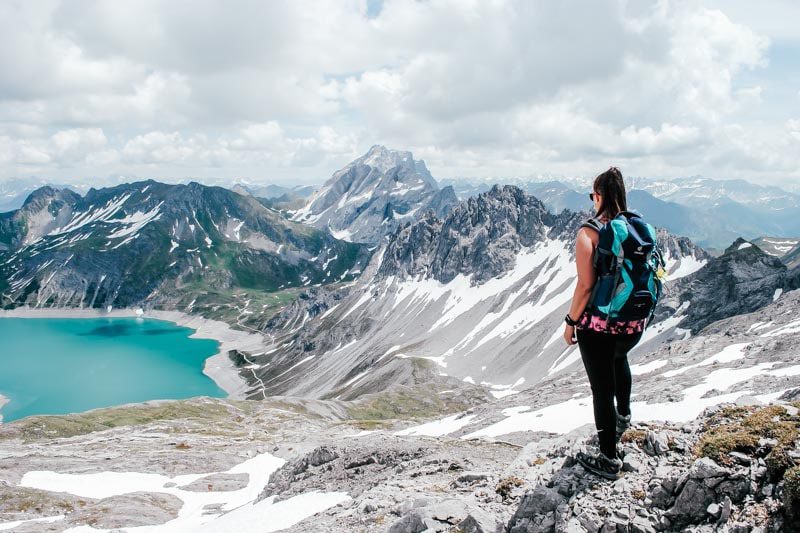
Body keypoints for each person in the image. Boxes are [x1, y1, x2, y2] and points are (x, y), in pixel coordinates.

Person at [562, 166, 647, 480]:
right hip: (633, 325)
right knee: (619, 359)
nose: (592, 200)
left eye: (592, 195)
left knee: (601, 390)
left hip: (600, 328)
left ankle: (608, 458)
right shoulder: (637, 227)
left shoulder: (588, 234)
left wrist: (571, 322)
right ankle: (623, 416)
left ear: (598, 196)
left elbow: (586, 286)